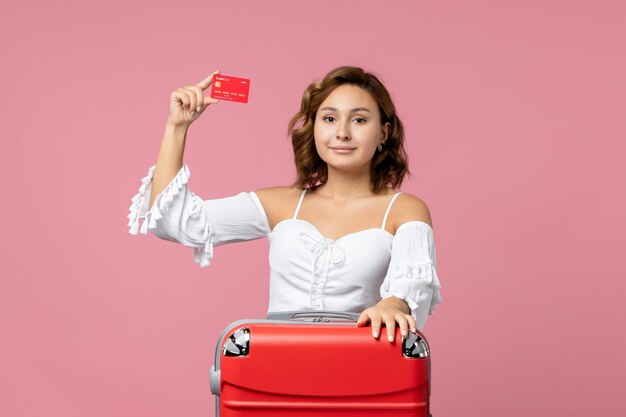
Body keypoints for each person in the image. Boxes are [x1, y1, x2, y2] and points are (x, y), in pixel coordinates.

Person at [127, 65, 443, 343]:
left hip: (361, 368)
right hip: (280, 364)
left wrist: (394, 303)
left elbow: (413, 288)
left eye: (359, 120)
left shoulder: (405, 209)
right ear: (314, 127)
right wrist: (176, 127)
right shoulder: (280, 203)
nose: (342, 133)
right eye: (330, 118)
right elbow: (176, 223)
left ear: (384, 133)